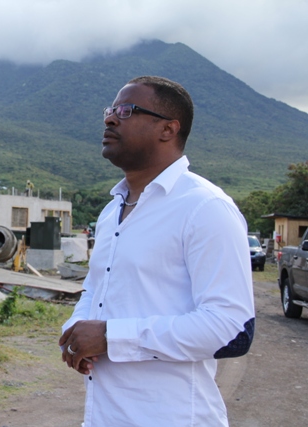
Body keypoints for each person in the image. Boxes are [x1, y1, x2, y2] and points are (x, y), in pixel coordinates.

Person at [59, 76, 254, 426]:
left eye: (126, 110)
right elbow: (95, 289)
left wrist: (109, 337)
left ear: (168, 129)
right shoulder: (111, 212)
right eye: (110, 109)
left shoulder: (204, 208)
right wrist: (75, 330)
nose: (110, 118)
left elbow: (231, 328)